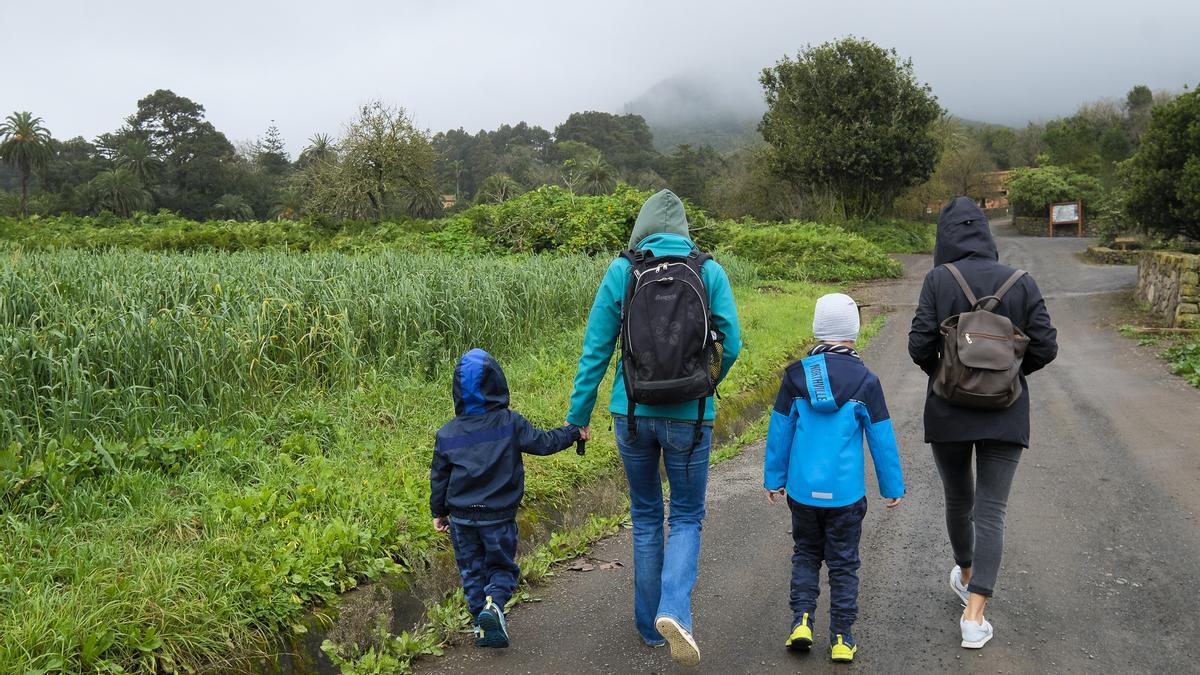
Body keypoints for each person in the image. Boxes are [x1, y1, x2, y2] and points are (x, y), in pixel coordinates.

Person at [566, 189, 742, 667]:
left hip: (632, 414)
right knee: (685, 515)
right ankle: (673, 611)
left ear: (641, 228)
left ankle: (649, 626)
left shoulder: (623, 270)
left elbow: (596, 350)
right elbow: (735, 342)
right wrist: (703, 384)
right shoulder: (708, 270)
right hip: (691, 417)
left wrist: (578, 416)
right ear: (683, 229)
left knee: (645, 516)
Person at [908, 197, 1058, 649]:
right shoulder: (1022, 281)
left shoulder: (938, 279)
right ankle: (974, 616)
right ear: (987, 236)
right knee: (992, 510)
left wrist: (950, 376)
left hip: (949, 412)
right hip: (1006, 413)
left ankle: (966, 573)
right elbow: (1046, 346)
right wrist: (1007, 375)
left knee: (959, 500)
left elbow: (918, 345)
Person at [763, 293, 905, 664]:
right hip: (845, 495)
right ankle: (842, 637)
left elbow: (780, 431)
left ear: (817, 327)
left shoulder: (796, 376)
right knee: (843, 564)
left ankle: (802, 622)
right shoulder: (865, 381)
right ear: (854, 332)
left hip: (802, 491)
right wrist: (892, 486)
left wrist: (773, 478)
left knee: (806, 554)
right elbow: (882, 438)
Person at [429, 348, 583, 649]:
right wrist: (572, 433)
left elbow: (439, 478)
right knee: (501, 567)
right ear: (497, 383)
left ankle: (481, 626)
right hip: (498, 516)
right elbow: (542, 443)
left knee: (472, 570)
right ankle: (494, 606)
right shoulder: (510, 423)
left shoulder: (447, 434)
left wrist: (439, 511)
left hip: (460, 517)